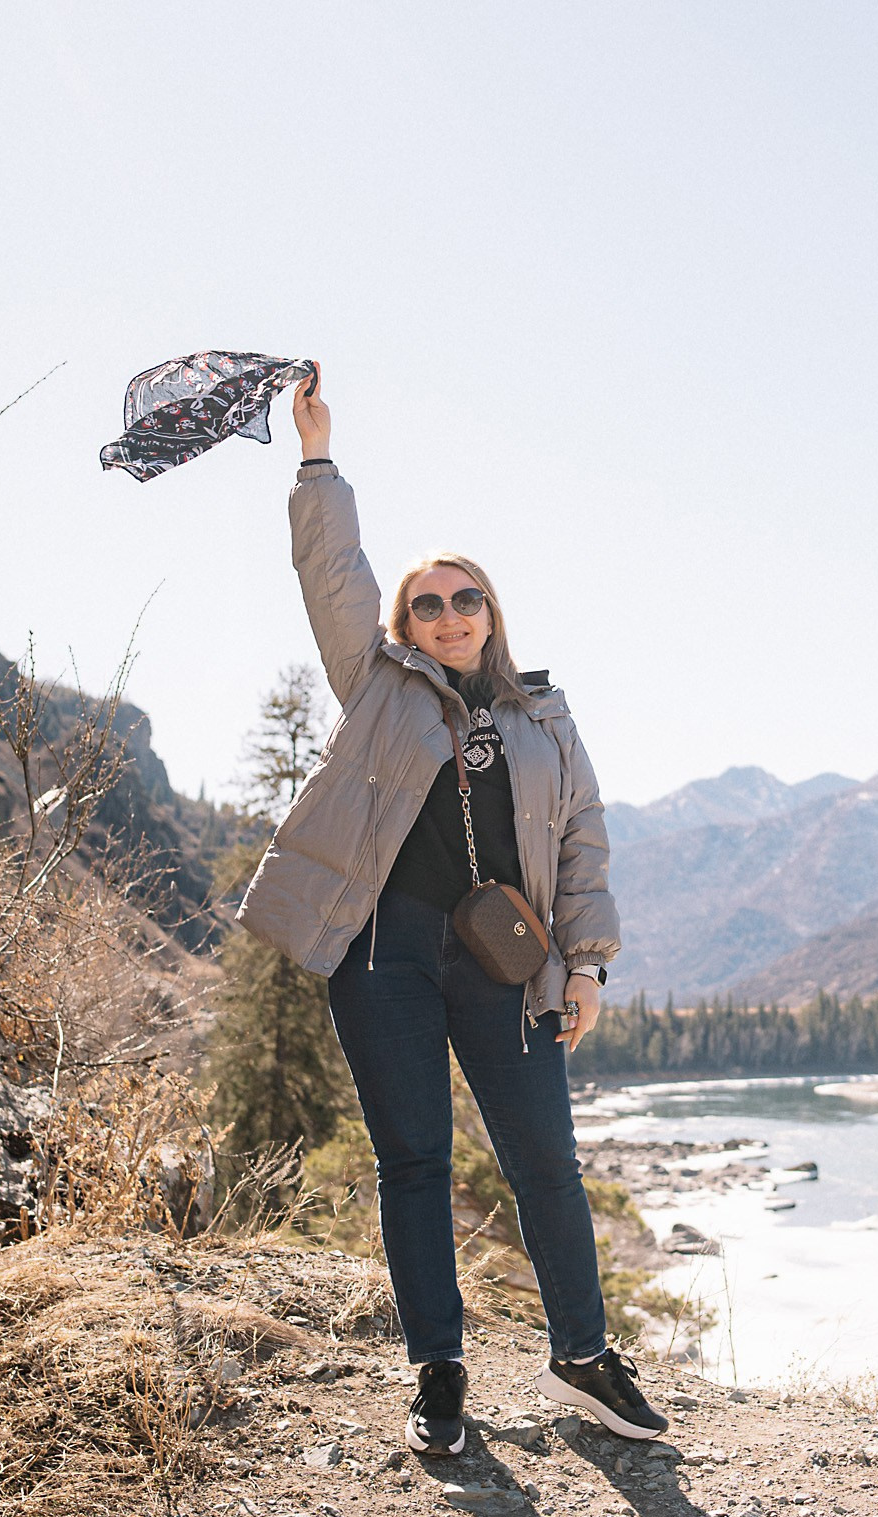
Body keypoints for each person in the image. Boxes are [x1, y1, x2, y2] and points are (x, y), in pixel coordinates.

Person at [235, 366, 668, 1455]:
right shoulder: (376, 685)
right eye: (425, 604)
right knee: (414, 1162)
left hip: (506, 962)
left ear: (491, 613)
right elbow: (331, 574)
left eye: (464, 598)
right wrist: (317, 458)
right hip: (383, 956)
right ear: (406, 625)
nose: (446, 615)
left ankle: (582, 1354)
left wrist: (588, 962)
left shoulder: (544, 715)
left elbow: (582, 841)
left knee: (546, 1162)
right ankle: (438, 1372)